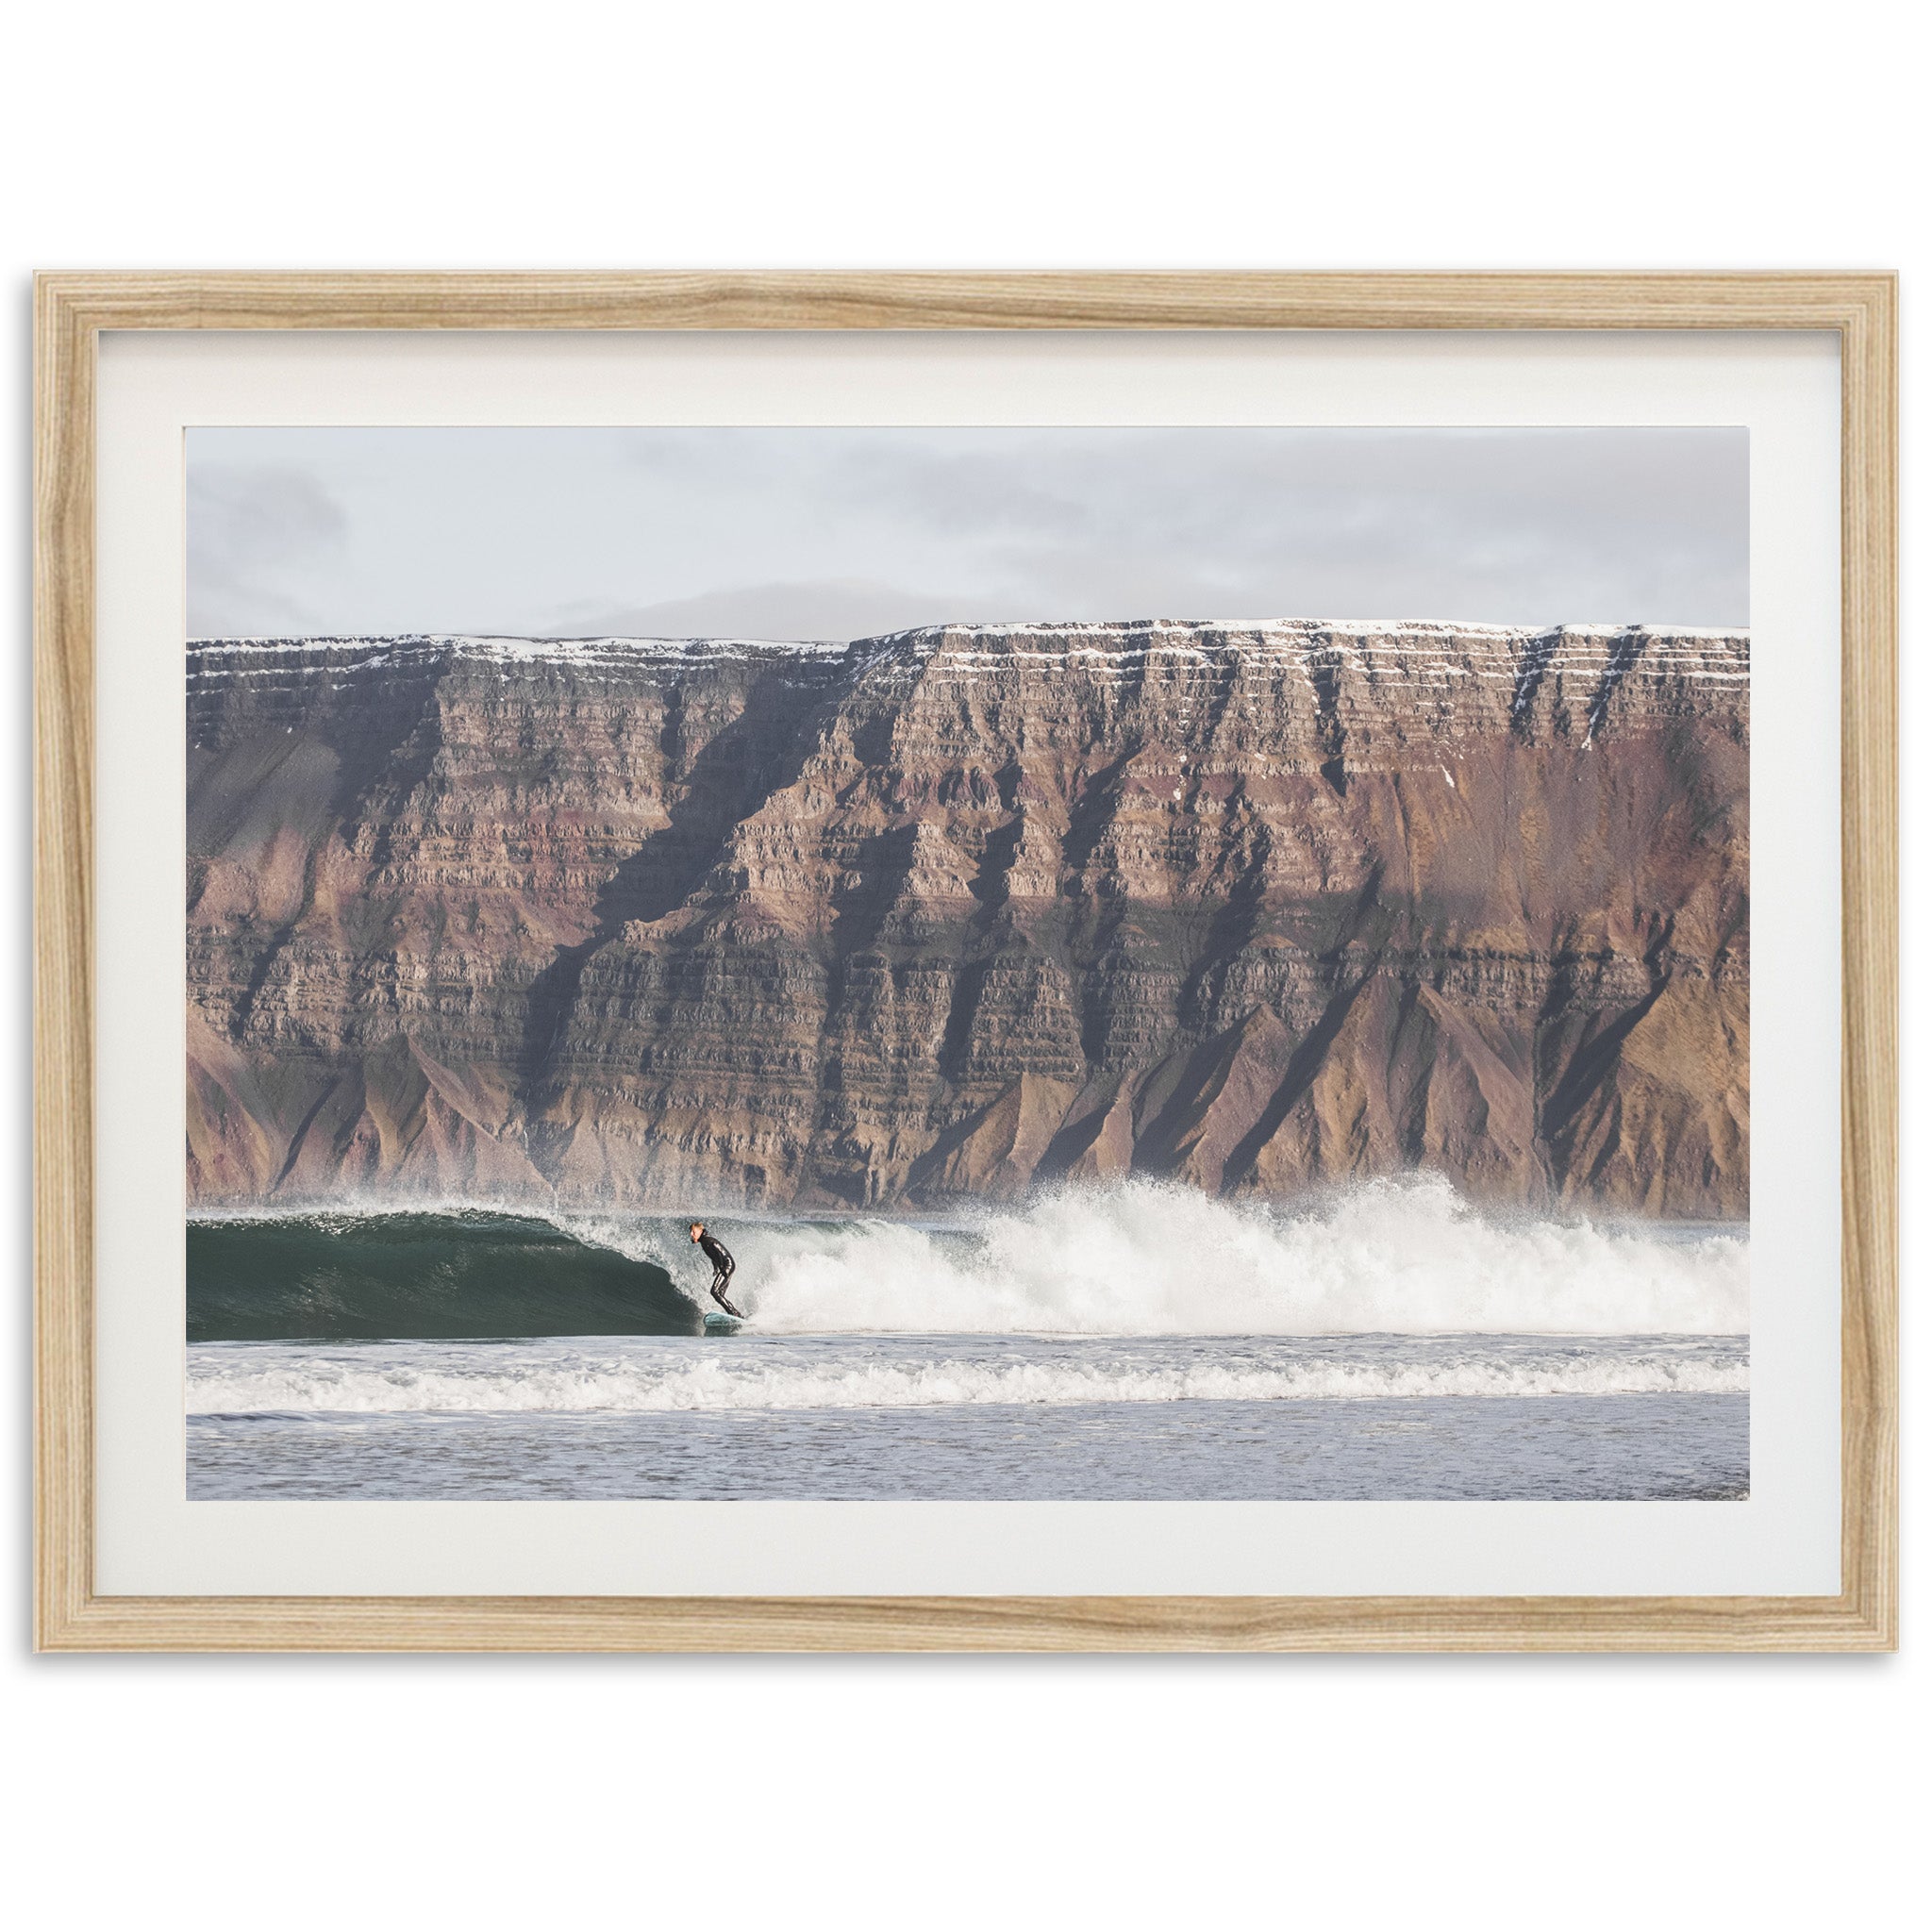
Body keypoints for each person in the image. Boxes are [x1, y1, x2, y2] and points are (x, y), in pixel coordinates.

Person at [690, 1222, 744, 1318]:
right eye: (691, 1232)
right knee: (720, 1293)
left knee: (715, 1292)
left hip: (727, 1266)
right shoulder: (705, 1241)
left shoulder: (707, 1241)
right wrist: (716, 1267)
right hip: (729, 1265)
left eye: (694, 1232)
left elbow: (718, 1251)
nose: (691, 1234)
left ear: (701, 1231)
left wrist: (722, 1267)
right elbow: (713, 1255)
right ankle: (735, 1313)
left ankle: (734, 1313)